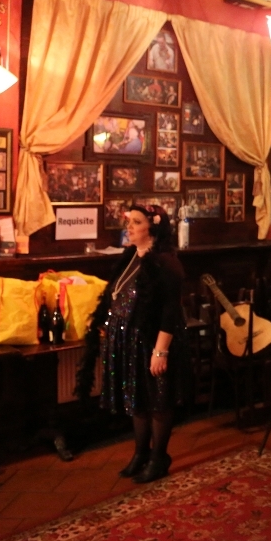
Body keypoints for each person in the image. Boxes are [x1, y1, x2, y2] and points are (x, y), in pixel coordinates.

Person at [78, 205, 185, 484]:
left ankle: (159, 457)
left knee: (157, 400)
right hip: (129, 340)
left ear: (154, 227)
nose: (129, 227)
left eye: (136, 222)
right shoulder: (131, 255)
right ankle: (141, 453)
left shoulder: (165, 262)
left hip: (151, 341)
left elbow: (171, 311)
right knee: (137, 399)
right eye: (130, 222)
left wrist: (160, 351)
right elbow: (116, 295)